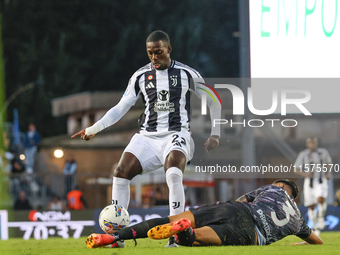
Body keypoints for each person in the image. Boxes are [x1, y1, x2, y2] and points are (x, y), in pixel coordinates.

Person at [71, 30, 221, 246]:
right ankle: (116, 236)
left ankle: (175, 235)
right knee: (120, 173)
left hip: (177, 134)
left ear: (168, 49)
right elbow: (121, 107)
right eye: (150, 53)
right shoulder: (140, 76)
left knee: (173, 173)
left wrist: (215, 133)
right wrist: (94, 128)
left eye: (158, 52)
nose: (154, 58)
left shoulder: (188, 74)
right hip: (147, 137)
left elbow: (213, 100)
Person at [85, 179, 323, 248]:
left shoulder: (272, 189)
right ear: (294, 197)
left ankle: (112, 238)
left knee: (170, 219)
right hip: (250, 233)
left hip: (235, 209)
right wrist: (302, 244)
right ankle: (185, 233)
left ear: (281, 187)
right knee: (196, 239)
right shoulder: (298, 220)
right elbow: (317, 241)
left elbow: (243, 200)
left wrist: (226, 208)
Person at [294, 137, 332, 235]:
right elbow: (295, 168)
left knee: (321, 198)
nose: (312, 144)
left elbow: (329, 163)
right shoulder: (303, 154)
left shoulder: (323, 152)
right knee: (311, 205)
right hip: (309, 182)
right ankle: (316, 226)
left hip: (321, 179)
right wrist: (305, 174)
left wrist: (328, 173)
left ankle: (321, 217)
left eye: (314, 142)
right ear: (307, 144)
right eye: (310, 143)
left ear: (317, 143)